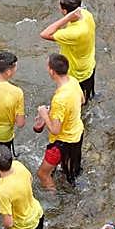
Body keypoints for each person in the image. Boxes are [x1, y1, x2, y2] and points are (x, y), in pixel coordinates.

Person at [33, 54, 85, 189]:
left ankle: (53, 200)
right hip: (77, 134)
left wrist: (45, 115)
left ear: (52, 71)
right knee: (68, 170)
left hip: (61, 143)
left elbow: (55, 130)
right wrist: (54, 113)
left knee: (42, 174)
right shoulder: (72, 81)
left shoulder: (60, 99)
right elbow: (82, 100)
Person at [40, 0, 98, 101]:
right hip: (89, 63)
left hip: (77, 72)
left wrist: (66, 18)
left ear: (65, 11)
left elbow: (44, 34)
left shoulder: (73, 33)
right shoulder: (87, 15)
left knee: (78, 100)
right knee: (89, 93)